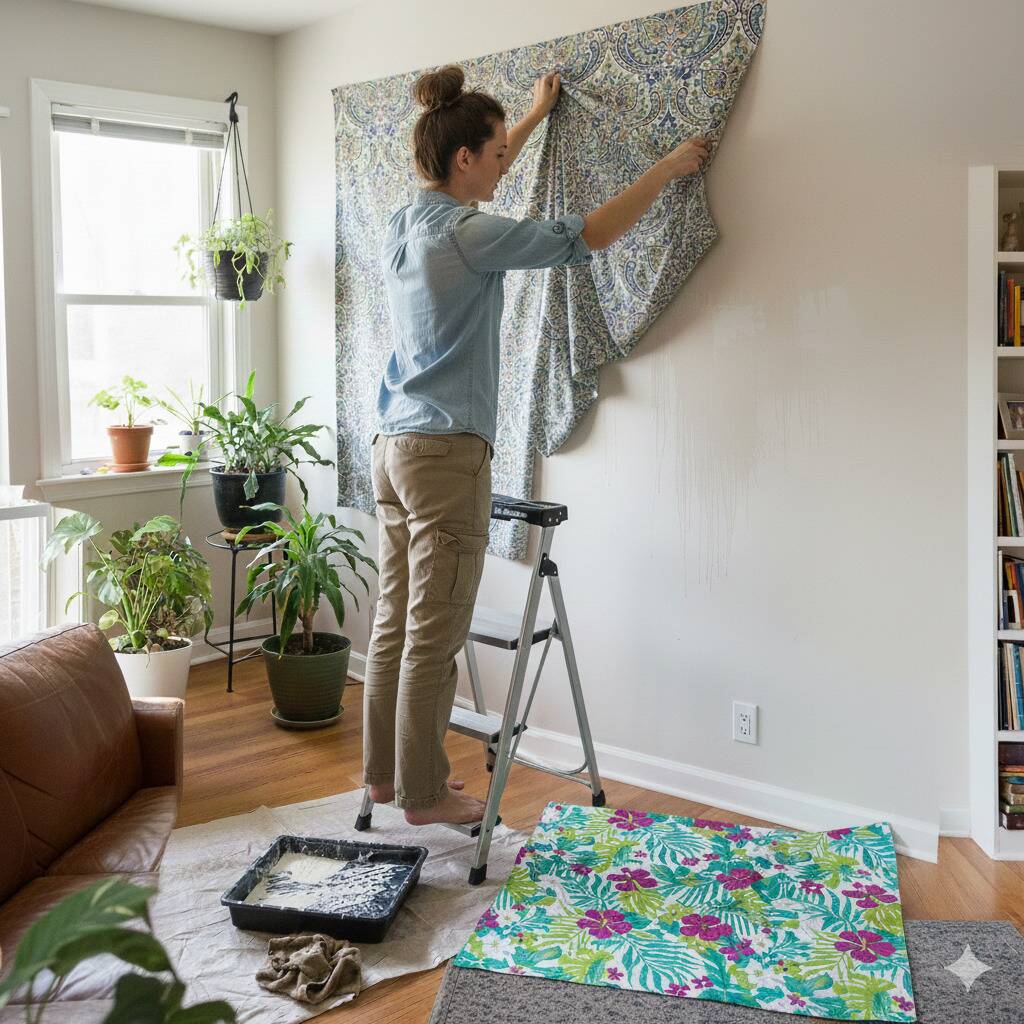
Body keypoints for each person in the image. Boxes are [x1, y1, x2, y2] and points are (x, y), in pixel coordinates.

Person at [363, 64, 709, 826]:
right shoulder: (471, 234)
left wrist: (532, 114)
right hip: (446, 456)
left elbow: (485, 160)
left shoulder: (407, 221)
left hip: (392, 446)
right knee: (435, 630)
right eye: (491, 156)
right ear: (463, 161)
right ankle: (423, 797)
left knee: (393, 620)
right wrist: (669, 167)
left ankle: (387, 777)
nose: (501, 166)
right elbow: (586, 237)